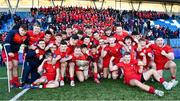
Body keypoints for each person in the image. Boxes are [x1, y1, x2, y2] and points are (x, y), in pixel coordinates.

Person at [110, 52, 175, 96]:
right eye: (126, 57)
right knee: (136, 82)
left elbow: (144, 63)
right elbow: (111, 69)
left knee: (152, 70)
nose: (127, 58)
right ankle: (155, 91)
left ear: (130, 57)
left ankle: (165, 84)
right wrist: (110, 61)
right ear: (123, 57)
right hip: (131, 80)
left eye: (128, 57)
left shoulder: (133, 61)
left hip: (140, 77)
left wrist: (143, 57)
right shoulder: (121, 64)